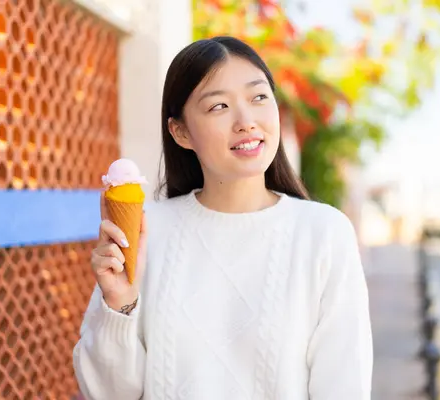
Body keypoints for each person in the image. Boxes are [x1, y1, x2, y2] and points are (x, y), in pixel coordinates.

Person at [73, 36, 373, 400]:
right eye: (219, 106)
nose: (246, 121)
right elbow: (106, 394)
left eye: (259, 97)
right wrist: (119, 305)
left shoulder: (324, 234)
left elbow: (343, 386)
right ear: (181, 132)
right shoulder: (147, 230)